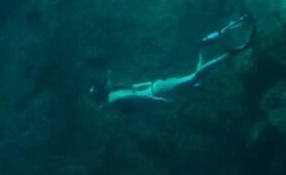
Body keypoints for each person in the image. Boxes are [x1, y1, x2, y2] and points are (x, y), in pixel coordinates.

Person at [96, 10, 255, 105]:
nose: (108, 82)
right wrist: (154, 88)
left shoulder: (113, 96)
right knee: (198, 69)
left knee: (196, 77)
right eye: (105, 83)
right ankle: (236, 24)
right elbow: (135, 89)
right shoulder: (113, 94)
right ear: (103, 89)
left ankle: (236, 50)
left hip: (159, 90)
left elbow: (135, 95)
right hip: (158, 86)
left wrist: (158, 100)